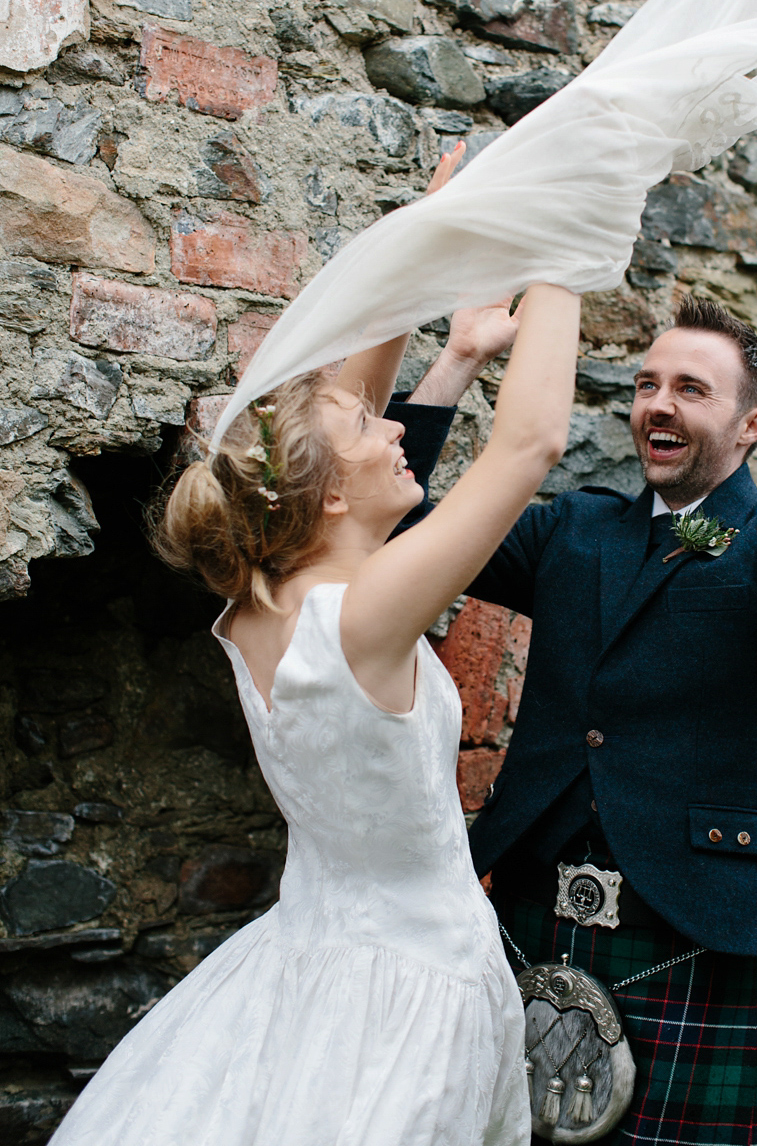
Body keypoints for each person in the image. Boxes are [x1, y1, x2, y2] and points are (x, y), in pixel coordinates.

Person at [48, 145, 581, 1146]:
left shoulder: (261, 602)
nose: (398, 436)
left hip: (305, 966)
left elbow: (349, 400)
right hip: (416, 997)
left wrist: (429, 250)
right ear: (332, 494)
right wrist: (568, 239)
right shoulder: (364, 613)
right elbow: (530, 444)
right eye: (374, 433)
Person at [388, 257, 757, 1146]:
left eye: (692, 389)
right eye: (647, 383)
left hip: (683, 919)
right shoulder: (573, 532)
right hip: (529, 904)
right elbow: (394, 521)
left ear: (750, 427)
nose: (657, 403)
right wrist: (458, 357)